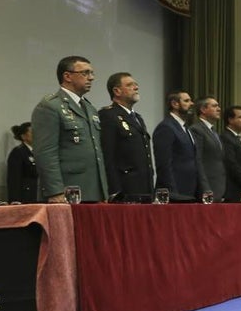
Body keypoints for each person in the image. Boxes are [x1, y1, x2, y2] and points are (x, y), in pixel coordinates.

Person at [31, 56, 108, 203]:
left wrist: (103, 191)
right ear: (67, 76)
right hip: (67, 192)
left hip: (93, 191)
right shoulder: (50, 106)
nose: (91, 78)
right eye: (85, 73)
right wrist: (55, 191)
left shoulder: (90, 108)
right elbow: (45, 153)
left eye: (92, 73)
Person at [99, 73, 154, 202]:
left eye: (136, 84)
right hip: (125, 189)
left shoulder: (137, 118)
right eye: (130, 85)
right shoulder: (108, 116)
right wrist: (114, 191)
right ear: (117, 91)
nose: (136, 87)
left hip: (144, 187)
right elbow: (108, 155)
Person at [152, 90, 208, 202]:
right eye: (187, 101)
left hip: (191, 192)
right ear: (175, 104)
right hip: (176, 194)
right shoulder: (166, 127)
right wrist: (173, 194)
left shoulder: (186, 128)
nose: (192, 104)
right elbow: (164, 164)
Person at [189, 97, 225, 202]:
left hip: (219, 187)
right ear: (203, 110)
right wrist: (205, 188)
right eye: (214, 106)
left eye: (218, 106)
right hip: (207, 189)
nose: (219, 109)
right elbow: (198, 160)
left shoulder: (213, 131)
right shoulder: (197, 129)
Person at [5, 123, 38, 204]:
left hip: (38, 195)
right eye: (32, 132)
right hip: (25, 197)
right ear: (23, 136)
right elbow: (14, 178)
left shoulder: (39, 152)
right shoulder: (18, 152)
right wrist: (15, 199)